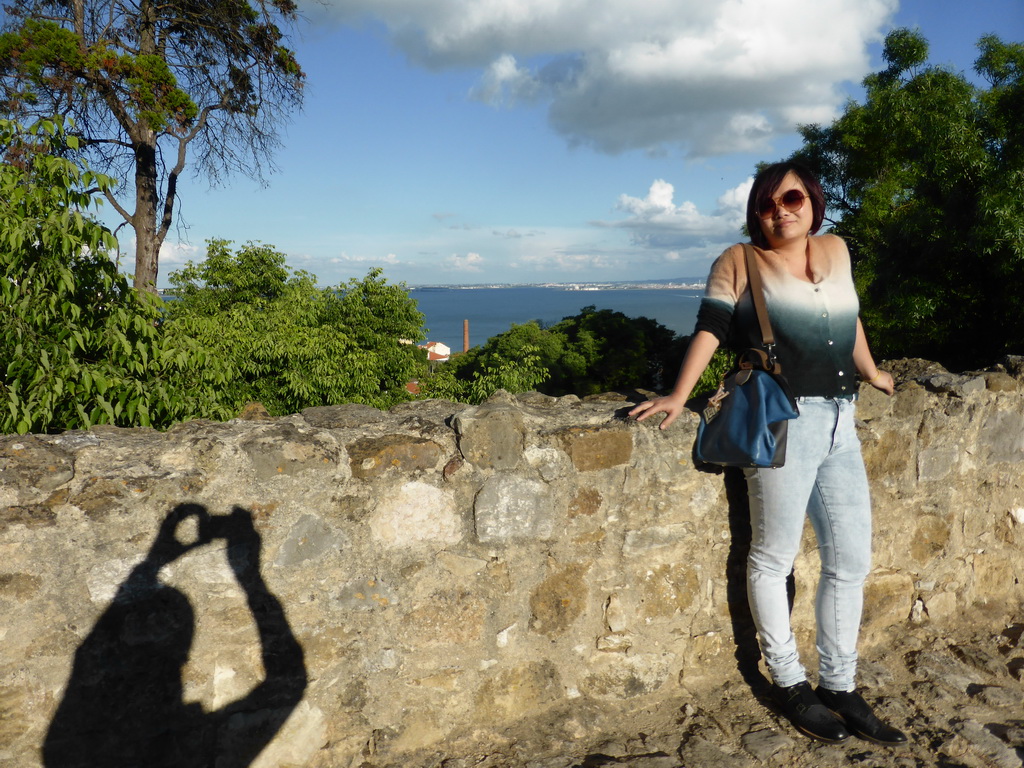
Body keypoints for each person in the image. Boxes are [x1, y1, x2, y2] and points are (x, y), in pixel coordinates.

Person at [629, 161, 907, 747]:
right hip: (783, 418)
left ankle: (839, 683)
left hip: (841, 420)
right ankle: (788, 681)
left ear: (813, 203)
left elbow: (849, 319)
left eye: (792, 199)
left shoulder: (836, 250)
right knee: (773, 558)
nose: (779, 210)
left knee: (850, 559)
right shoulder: (739, 260)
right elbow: (709, 325)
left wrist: (873, 371)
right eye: (767, 203)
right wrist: (680, 395)